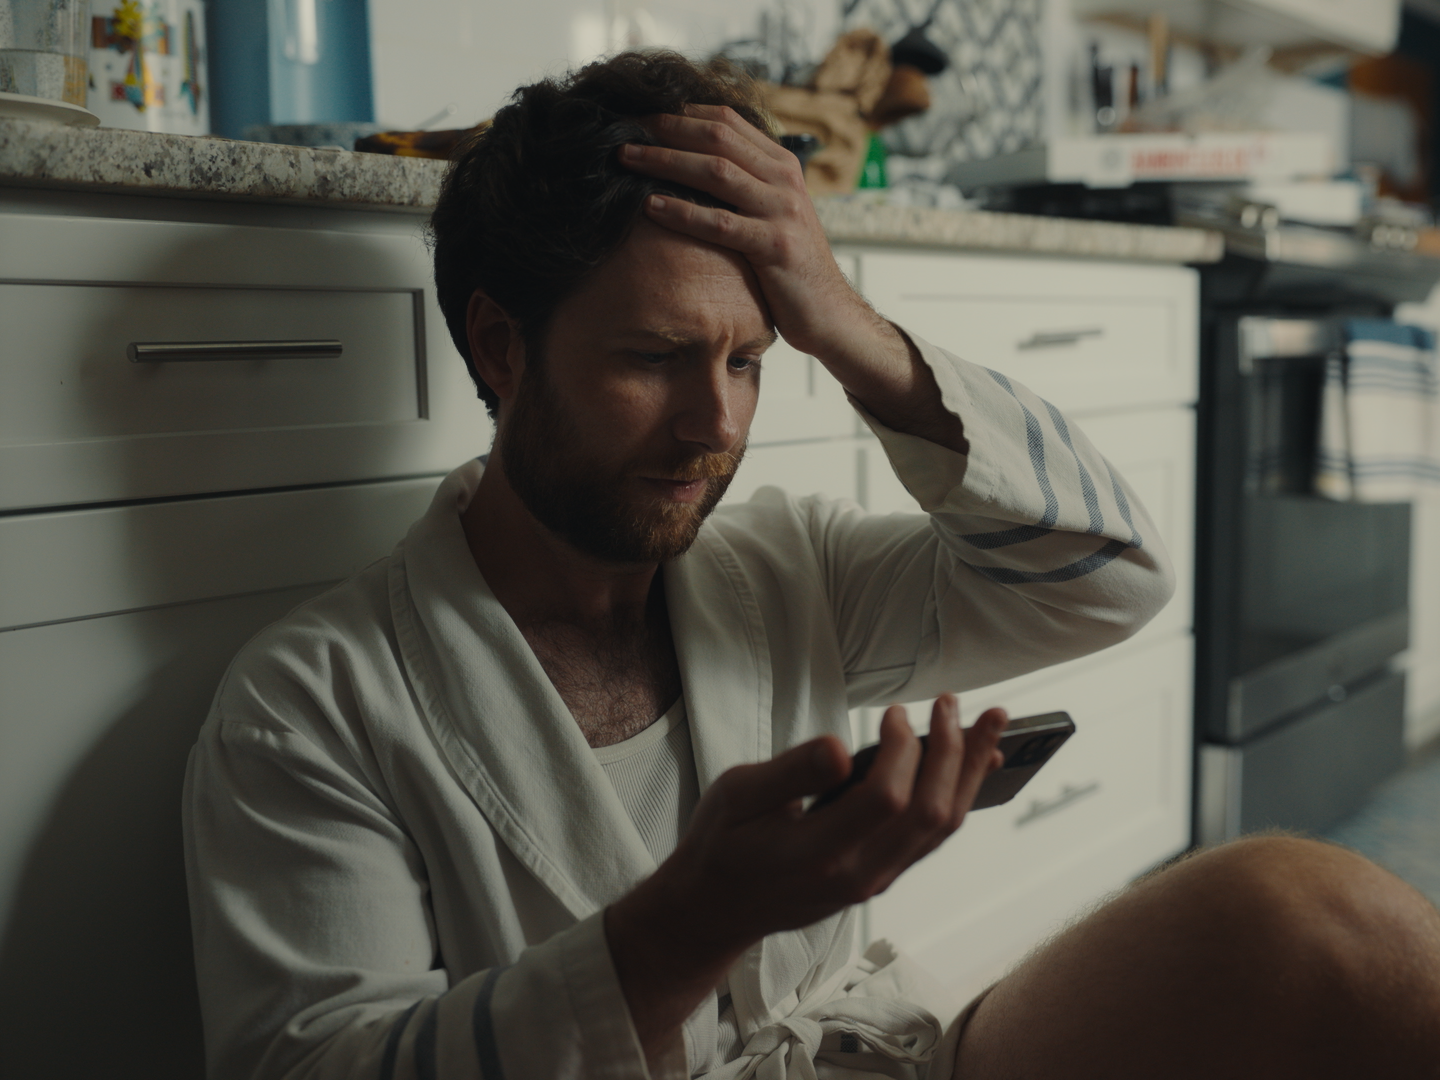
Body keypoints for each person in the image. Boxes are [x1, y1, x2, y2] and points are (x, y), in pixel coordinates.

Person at [182, 52, 1440, 1080]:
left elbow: (1114, 576)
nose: (716, 425)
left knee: (1325, 921)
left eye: (746, 360)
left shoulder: (785, 568)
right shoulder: (313, 710)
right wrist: (688, 925)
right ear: (502, 348)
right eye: (657, 356)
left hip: (876, 1061)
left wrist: (846, 322)